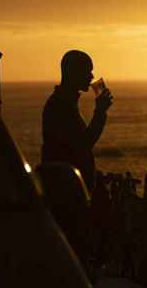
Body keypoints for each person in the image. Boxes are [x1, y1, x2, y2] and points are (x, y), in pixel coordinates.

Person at [41, 50, 113, 191]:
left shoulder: (65, 103)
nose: (91, 76)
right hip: (67, 192)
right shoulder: (60, 106)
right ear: (73, 73)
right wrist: (100, 111)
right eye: (87, 71)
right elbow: (83, 145)